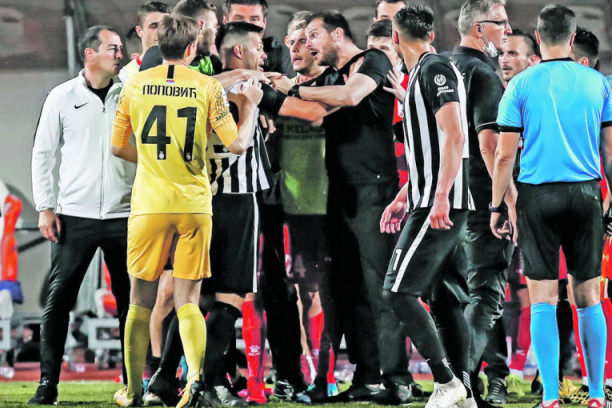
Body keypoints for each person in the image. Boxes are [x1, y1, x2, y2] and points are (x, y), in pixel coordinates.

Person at [110, 14, 262, 407]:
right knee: (189, 301)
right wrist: (250, 108)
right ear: (192, 48)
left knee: (140, 303)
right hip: (194, 204)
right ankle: (194, 381)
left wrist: (152, 161)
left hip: (149, 205)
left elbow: (117, 146)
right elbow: (237, 144)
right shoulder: (206, 86)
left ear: (158, 45)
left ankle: (133, 390)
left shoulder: (135, 84)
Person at [272, 10, 410, 404]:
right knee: (347, 289)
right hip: (341, 195)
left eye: (314, 35)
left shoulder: (373, 60)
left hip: (376, 192)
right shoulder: (331, 78)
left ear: (337, 34)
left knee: (382, 288)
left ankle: (397, 380)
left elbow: (351, 96)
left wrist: (293, 89)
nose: (308, 44)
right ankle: (367, 377)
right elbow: (317, 114)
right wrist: (271, 95)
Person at [492, 5, 612, 408]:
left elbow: (504, 156)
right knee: (588, 296)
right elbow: (611, 152)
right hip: (585, 194)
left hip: (536, 197)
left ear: (539, 38)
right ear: (573, 37)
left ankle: (549, 398)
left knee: (542, 297)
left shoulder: (520, 85)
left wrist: (497, 206)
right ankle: (597, 394)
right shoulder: (598, 83)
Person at [29, 25, 134, 406]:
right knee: (58, 301)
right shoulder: (62, 96)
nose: (120, 54)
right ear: (90, 54)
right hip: (74, 216)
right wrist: (45, 206)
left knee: (132, 304)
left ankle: (134, 383)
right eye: (112, 48)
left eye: (120, 48)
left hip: (126, 214)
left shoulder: (132, 92)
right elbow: (43, 154)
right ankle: (47, 384)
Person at [381, 5, 473, 408]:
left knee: (397, 291)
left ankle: (446, 382)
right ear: (431, 34)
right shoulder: (420, 73)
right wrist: (403, 196)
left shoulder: (434, 69)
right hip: (430, 198)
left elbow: (455, 136)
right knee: (445, 299)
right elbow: (430, 148)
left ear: (395, 38)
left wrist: (438, 198)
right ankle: (465, 392)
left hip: (439, 204)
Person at [449, 1, 515, 404]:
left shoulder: (435, 68)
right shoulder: (483, 73)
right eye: (500, 23)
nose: (507, 30)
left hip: (442, 201)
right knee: (485, 294)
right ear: (479, 28)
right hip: (478, 199)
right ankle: (458, 383)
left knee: (457, 296)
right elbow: (490, 146)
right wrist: (504, 201)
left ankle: (461, 384)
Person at [482, 29, 540, 404]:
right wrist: (501, 203)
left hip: (536, 206)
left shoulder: (542, 100)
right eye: (502, 53)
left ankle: (529, 371)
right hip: (496, 206)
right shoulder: (490, 98)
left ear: (533, 60)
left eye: (513, 53)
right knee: (490, 292)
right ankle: (496, 375)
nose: (504, 59)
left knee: (534, 291)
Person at [223, 0, 294, 76]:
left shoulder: (277, 52)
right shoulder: (215, 55)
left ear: (264, 23)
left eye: (254, 20)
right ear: (225, 21)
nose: (247, 26)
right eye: (239, 19)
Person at [118, 1, 170, 82]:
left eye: (165, 26)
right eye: (154, 26)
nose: (161, 32)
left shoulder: (184, 70)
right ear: (139, 31)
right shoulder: (125, 76)